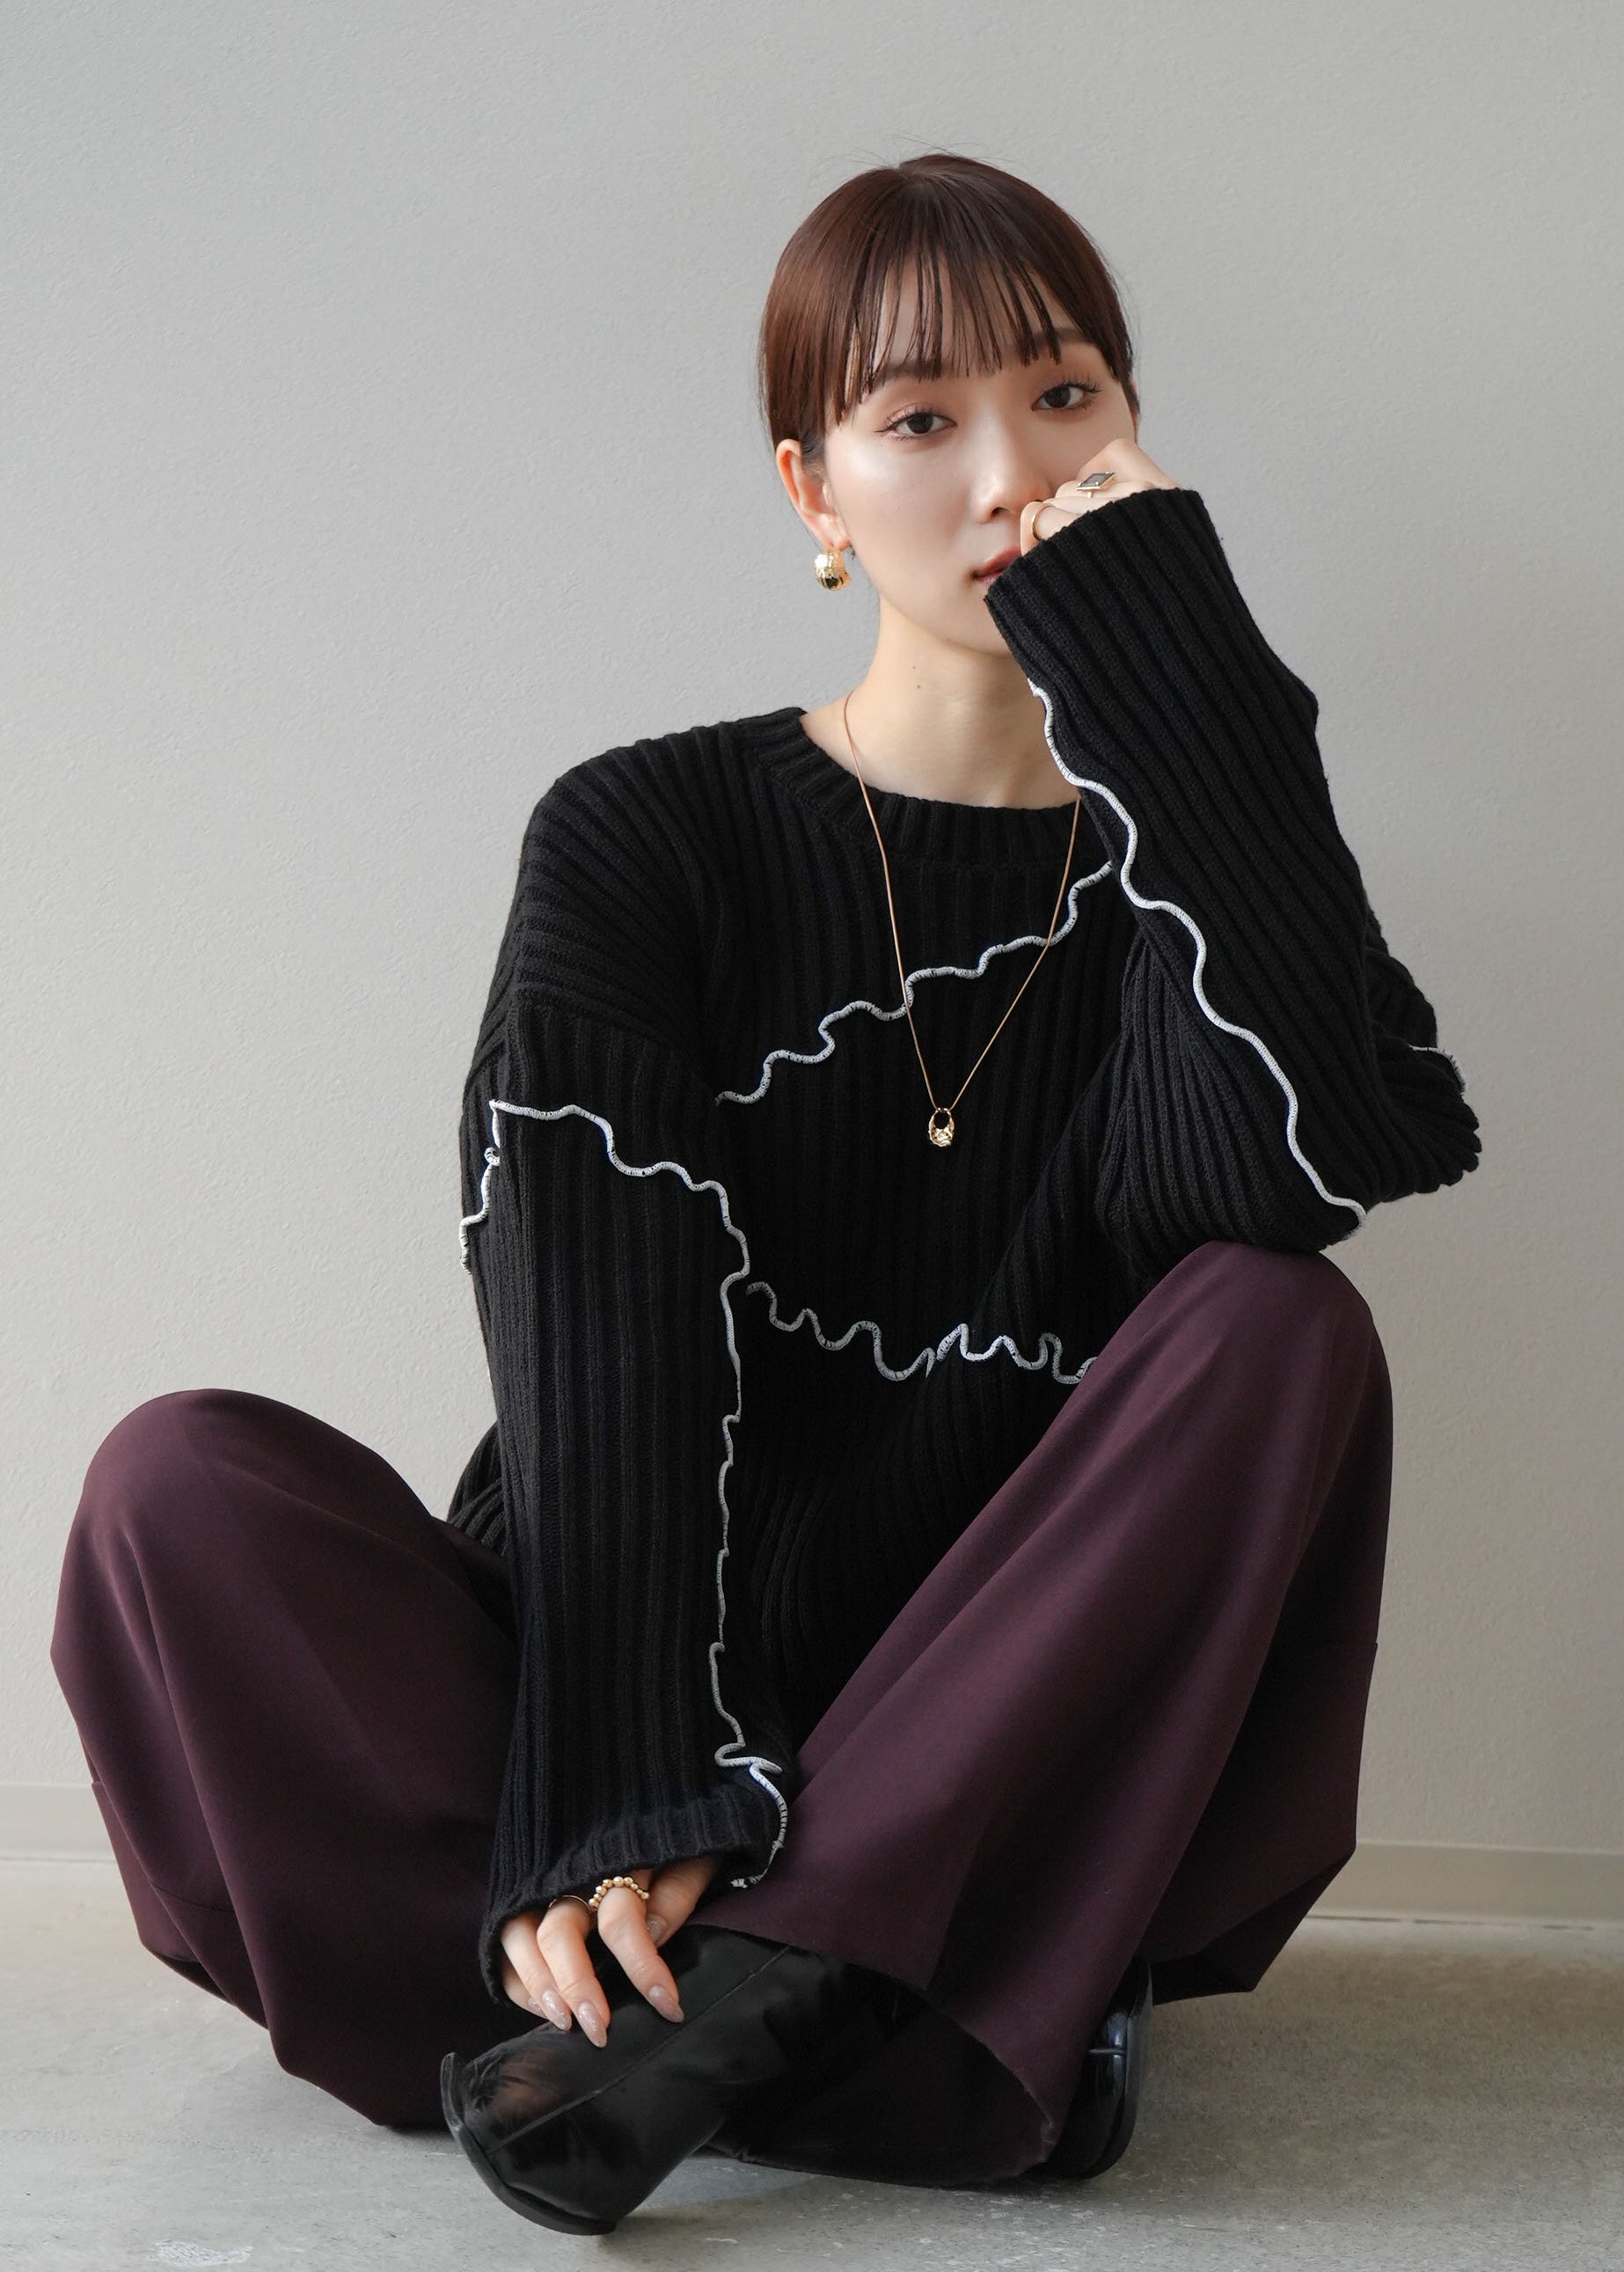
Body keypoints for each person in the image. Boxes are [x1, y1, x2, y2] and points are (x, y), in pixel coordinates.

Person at [51, 151, 1481, 2233]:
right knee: (172, 1484)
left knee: (1282, 1323)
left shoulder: (1185, 859)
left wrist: (1178, 676)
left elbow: (1298, 1157)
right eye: (919, 419)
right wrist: (620, 1779)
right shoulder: (650, 832)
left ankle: (701, 2018)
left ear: (1135, 440)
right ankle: (852, 2011)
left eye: (1063, 397)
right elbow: (594, 1311)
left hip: (978, 1718)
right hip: (623, 1652)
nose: (1007, 474)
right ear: (815, 494)